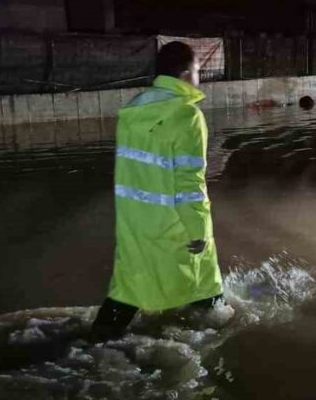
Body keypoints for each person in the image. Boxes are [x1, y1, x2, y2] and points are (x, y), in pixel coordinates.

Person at [90, 41, 223, 341]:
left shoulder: (135, 109)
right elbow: (190, 182)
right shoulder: (187, 115)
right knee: (204, 284)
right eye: (199, 70)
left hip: (134, 219)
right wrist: (199, 229)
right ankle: (221, 331)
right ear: (187, 74)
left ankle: (94, 340)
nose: (200, 76)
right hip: (173, 222)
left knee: (130, 283)